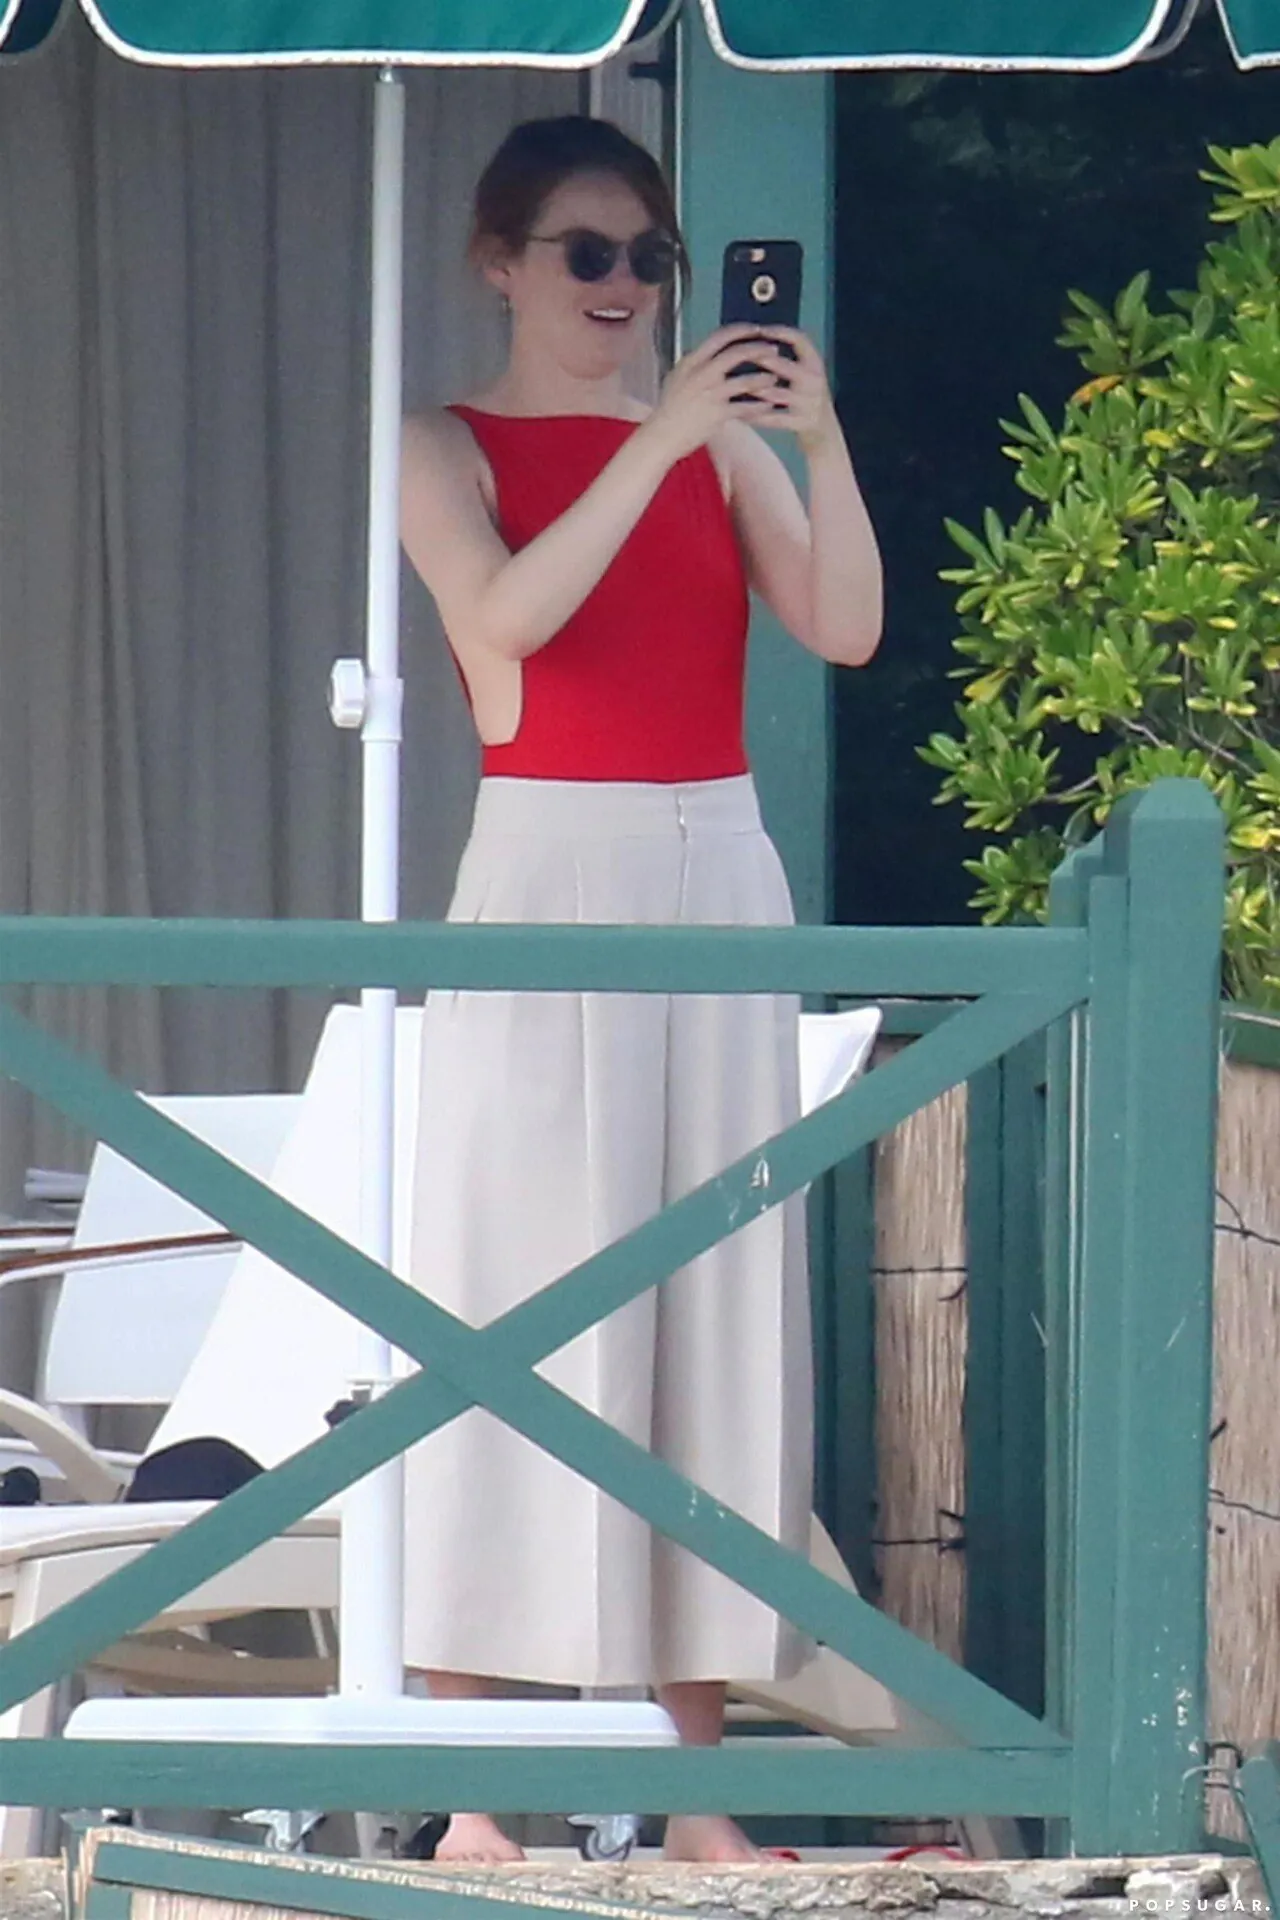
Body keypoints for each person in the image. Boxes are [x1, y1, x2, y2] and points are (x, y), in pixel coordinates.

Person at [399, 114, 881, 1866]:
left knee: (711, 1303)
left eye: (647, 258)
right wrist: (661, 434)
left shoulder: (719, 442)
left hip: (717, 859)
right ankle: (470, 1788)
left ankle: (693, 1790)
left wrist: (808, 439)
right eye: (586, 253)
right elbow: (509, 618)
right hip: (548, 858)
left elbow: (846, 627)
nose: (621, 288)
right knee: (507, 1288)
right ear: (502, 263)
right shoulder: (442, 443)